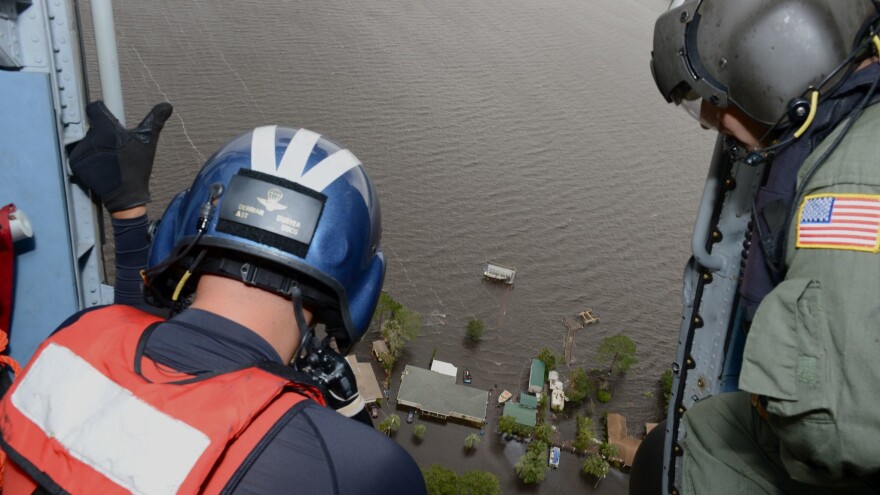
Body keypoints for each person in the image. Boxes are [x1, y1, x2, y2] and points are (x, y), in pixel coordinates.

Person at [0, 101, 427, 494]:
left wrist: (130, 213)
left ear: (182, 227)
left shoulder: (77, 335)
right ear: (361, 285)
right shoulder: (363, 468)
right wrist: (351, 414)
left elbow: (137, 353)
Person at [650, 0, 880, 493]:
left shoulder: (846, 183)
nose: (715, 120)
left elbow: (839, 435)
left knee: (703, 440)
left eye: (718, 100)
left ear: (773, 68)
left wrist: (766, 403)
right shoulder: (853, 129)